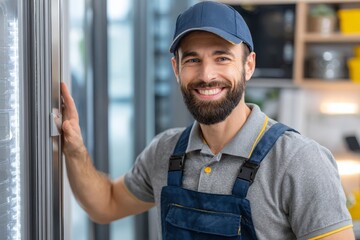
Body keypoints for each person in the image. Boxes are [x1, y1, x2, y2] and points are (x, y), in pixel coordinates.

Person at [61, 1, 355, 239]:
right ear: (176, 68)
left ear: (248, 65)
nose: (206, 75)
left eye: (222, 57)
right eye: (192, 60)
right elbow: (106, 205)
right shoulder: (165, 151)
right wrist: (75, 149)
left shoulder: (299, 160)